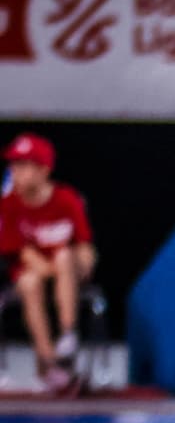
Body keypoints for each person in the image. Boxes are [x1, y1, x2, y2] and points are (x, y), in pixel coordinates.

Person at [2, 134, 95, 394]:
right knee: (30, 282)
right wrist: (56, 268)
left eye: (23, 165)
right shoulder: (9, 204)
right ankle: (49, 362)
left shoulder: (66, 199)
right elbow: (25, 256)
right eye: (13, 165)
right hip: (35, 273)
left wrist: (83, 261)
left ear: (43, 170)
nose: (14, 171)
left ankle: (68, 334)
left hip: (69, 272)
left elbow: (84, 245)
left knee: (65, 256)